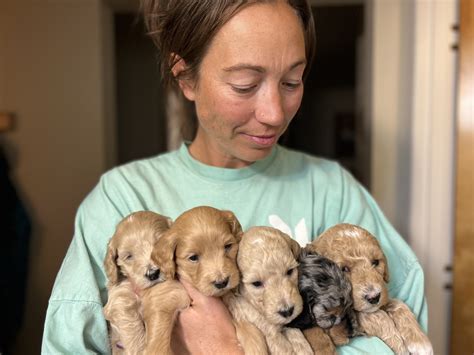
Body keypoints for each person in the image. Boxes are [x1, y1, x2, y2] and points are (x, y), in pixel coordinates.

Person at [42, 0, 428, 354]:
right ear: (186, 78)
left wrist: (229, 345)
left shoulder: (331, 190)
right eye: (245, 84)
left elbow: (405, 330)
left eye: (292, 81)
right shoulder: (123, 198)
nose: (275, 113)